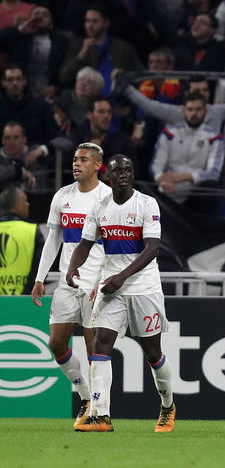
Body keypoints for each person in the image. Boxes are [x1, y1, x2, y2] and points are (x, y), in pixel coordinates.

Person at [69, 154, 175, 433]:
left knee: (153, 353)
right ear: (108, 176)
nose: (124, 174)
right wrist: (72, 267)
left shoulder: (147, 204)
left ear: (133, 174)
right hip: (111, 287)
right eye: (118, 171)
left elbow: (152, 248)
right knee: (101, 344)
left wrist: (122, 277)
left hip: (143, 287)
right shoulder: (99, 206)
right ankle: (100, 415)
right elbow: (85, 244)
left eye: (128, 169)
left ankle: (167, 405)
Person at [30, 143, 110, 430]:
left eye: (84, 160)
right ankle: (86, 396)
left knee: (93, 348)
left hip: (95, 283)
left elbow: (114, 244)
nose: (77, 163)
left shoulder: (108, 198)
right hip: (67, 280)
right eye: (75, 159)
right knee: (56, 343)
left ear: (98, 165)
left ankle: (100, 411)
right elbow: (53, 239)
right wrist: (40, 277)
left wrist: (103, 280)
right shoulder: (62, 196)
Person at [121, 76, 225, 137]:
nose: (201, 94)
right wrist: (126, 88)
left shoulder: (217, 111)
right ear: (187, 93)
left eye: (205, 90)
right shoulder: (177, 113)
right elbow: (149, 105)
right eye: (197, 91)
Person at [150, 91, 224, 203]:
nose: (194, 113)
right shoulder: (169, 133)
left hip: (196, 194)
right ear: (184, 111)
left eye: (198, 109)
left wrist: (182, 177)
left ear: (205, 111)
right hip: (167, 189)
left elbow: (214, 172)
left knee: (212, 185)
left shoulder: (214, 137)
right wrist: (161, 179)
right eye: (190, 109)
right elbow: (156, 165)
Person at [58, 6, 142, 95]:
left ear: (106, 24)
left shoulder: (122, 47)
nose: (90, 25)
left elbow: (140, 74)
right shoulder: (78, 47)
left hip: (119, 99)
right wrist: (81, 54)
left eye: (95, 21)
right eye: (87, 21)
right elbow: (63, 78)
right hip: (89, 100)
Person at [0, 5, 68, 99]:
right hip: (19, 90)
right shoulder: (19, 36)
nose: (40, 17)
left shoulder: (61, 40)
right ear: (29, 19)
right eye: (36, 14)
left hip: (48, 92)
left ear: (51, 23)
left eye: (45, 15)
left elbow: (65, 69)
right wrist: (20, 29)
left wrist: (57, 88)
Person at [0, 63, 57, 146]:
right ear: (3, 83)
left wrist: (42, 149)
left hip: (35, 150)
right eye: (10, 80)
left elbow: (53, 136)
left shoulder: (41, 106)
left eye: (18, 79)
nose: (15, 83)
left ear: (24, 81)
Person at [0, 185, 42, 294]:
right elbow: (41, 270)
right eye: (25, 200)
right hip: (24, 300)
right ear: (17, 205)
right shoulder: (32, 231)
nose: (28, 204)